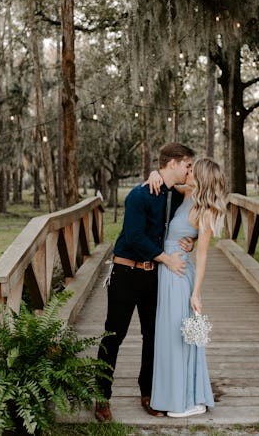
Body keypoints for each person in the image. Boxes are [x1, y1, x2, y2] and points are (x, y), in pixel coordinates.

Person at [94, 142, 196, 423]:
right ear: (173, 163)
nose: (189, 170)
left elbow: (189, 219)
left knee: (153, 336)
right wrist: (167, 258)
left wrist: (190, 241)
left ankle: (148, 392)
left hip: (155, 276)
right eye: (187, 164)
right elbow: (135, 236)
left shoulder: (176, 196)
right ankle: (102, 395)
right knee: (113, 336)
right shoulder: (138, 196)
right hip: (127, 273)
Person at [150, 157, 226, 417]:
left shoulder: (206, 211)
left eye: (193, 169)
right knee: (167, 336)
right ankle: (177, 395)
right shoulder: (186, 193)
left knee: (180, 338)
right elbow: (164, 180)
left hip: (180, 274)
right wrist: (153, 174)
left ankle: (189, 400)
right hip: (166, 268)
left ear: (201, 177)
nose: (188, 170)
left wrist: (196, 293)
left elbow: (203, 256)